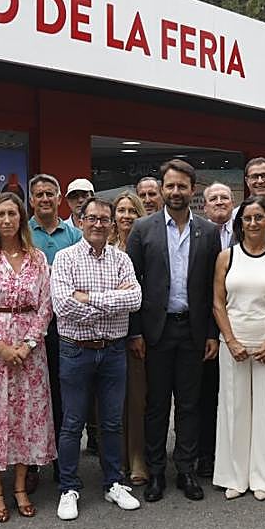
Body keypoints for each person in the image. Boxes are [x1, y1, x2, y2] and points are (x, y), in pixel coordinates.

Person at [126, 159, 222, 502]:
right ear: (162, 189)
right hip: (157, 332)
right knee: (155, 405)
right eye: (170, 186)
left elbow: (215, 287)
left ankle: (186, 470)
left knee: (189, 404)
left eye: (183, 186)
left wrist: (212, 332)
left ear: (192, 190)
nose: (176, 192)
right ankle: (155, 473)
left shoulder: (208, 232)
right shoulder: (142, 229)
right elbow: (131, 285)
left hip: (193, 332)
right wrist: (135, 332)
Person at [51, 197, 144, 519]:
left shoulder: (121, 259)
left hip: (114, 350)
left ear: (112, 224)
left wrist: (89, 299)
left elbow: (134, 299)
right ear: (80, 221)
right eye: (92, 218)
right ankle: (68, 488)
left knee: (111, 422)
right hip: (76, 349)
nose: (98, 224)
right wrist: (110, 303)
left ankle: (113, 483)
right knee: (72, 422)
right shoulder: (65, 259)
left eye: (105, 219)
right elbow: (63, 306)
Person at [0, 192, 56, 521]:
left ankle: (19, 486)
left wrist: (28, 343)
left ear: (21, 218)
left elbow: (46, 305)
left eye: (11, 214)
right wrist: (2, 346)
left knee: (25, 418)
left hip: (30, 351)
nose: (6, 220)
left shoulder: (37, 258)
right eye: (0, 214)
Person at [211, 196, 265, 500]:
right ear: (239, 223)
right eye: (247, 218)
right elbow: (218, 303)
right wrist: (231, 340)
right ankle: (235, 476)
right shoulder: (227, 257)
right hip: (233, 342)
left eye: (259, 217)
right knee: (234, 408)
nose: (253, 223)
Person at [28, 173, 84, 474]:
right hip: (32, 327)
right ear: (31, 199)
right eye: (39, 194)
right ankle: (35, 459)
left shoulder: (73, 235)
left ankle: (64, 459)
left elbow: (82, 274)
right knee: (36, 395)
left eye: (50, 193)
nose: (45, 199)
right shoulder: (24, 233)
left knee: (63, 393)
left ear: (59, 198)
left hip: (66, 326)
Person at [111, 191, 150, 484]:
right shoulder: (105, 247)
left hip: (136, 333)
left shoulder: (147, 245)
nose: (126, 216)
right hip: (106, 333)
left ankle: (137, 457)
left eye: (131, 211)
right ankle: (116, 459)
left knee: (137, 398)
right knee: (112, 400)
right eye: (121, 210)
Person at [197, 182, 235, 477]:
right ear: (205, 206)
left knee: (237, 394)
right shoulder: (199, 233)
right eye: (214, 199)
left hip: (245, 323)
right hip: (207, 326)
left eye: (224, 197)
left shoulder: (248, 226)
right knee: (207, 394)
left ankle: (236, 451)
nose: (219, 202)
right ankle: (207, 454)